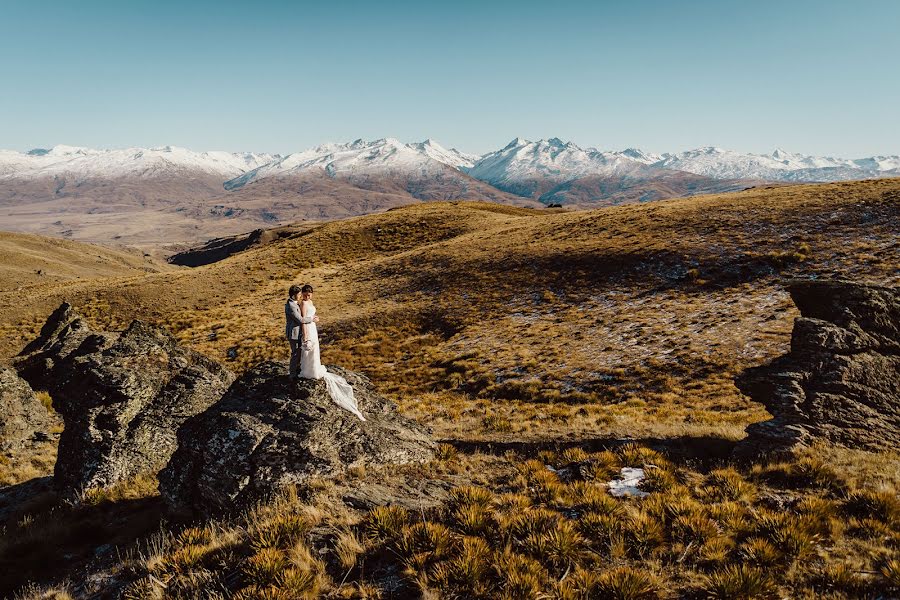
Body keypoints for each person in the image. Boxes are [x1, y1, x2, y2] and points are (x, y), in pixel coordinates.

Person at [296, 284, 366, 421]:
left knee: (315, 349)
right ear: (302, 294)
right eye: (305, 294)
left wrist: (315, 318)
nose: (307, 296)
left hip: (313, 327)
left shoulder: (309, 302)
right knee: (310, 349)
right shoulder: (303, 303)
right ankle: (309, 370)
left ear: (312, 294)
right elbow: (303, 321)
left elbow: (311, 315)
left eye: (309, 294)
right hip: (308, 329)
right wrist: (305, 335)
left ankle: (313, 367)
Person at [285, 284, 318, 378]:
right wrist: (312, 319)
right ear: (293, 295)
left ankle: (298, 370)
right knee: (295, 353)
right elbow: (300, 319)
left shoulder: (295, 303)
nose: (300, 296)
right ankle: (292, 374)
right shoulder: (291, 306)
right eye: (299, 294)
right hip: (293, 333)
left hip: (298, 332)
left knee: (299, 352)